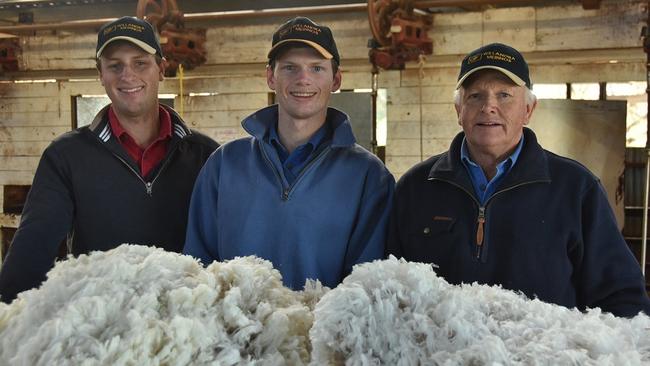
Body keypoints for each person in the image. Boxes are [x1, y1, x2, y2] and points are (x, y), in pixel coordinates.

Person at [387, 43, 650, 318]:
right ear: (458, 110)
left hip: (542, 357)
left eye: (504, 95)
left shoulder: (576, 189)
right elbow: (390, 288)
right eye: (475, 96)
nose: (489, 107)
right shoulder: (416, 187)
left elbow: (624, 299)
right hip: (441, 357)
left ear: (528, 110)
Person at [0, 16, 218, 303]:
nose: (127, 75)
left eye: (140, 62)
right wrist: (9, 319)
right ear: (100, 74)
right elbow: (34, 247)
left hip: (184, 319)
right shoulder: (66, 156)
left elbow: (227, 243)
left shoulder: (205, 155)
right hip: (102, 321)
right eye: (115, 65)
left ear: (161, 69)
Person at [183, 16, 394, 290]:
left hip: (324, 331)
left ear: (336, 79)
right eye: (290, 68)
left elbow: (367, 284)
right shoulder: (224, 165)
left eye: (317, 68)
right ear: (271, 77)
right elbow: (197, 267)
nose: (303, 79)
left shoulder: (369, 176)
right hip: (235, 330)